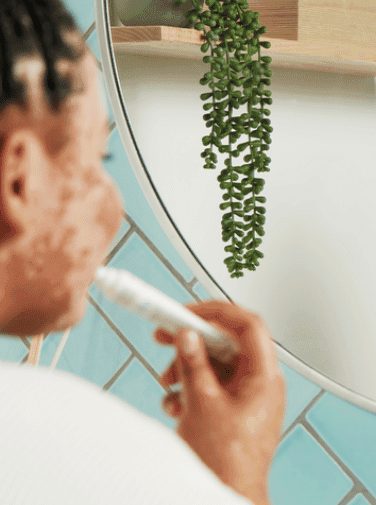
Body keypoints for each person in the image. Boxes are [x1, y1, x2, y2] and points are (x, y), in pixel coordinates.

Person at [0, 1, 285, 503]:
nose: (113, 210)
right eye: (94, 161)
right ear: (17, 180)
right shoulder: (75, 447)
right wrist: (236, 480)